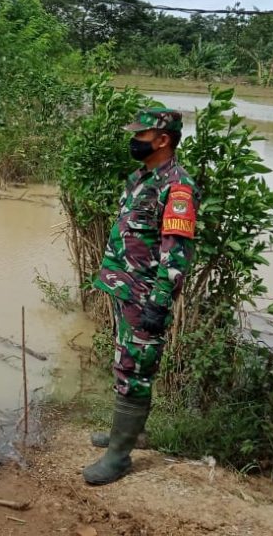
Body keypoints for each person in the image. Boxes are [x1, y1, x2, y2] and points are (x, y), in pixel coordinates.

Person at [83, 108, 199, 486]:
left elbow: (176, 251)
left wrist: (160, 300)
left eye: (141, 135)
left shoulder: (177, 188)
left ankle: (119, 457)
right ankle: (129, 433)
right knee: (125, 361)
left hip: (146, 295)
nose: (134, 140)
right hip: (124, 287)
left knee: (135, 370)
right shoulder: (141, 178)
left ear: (163, 140)